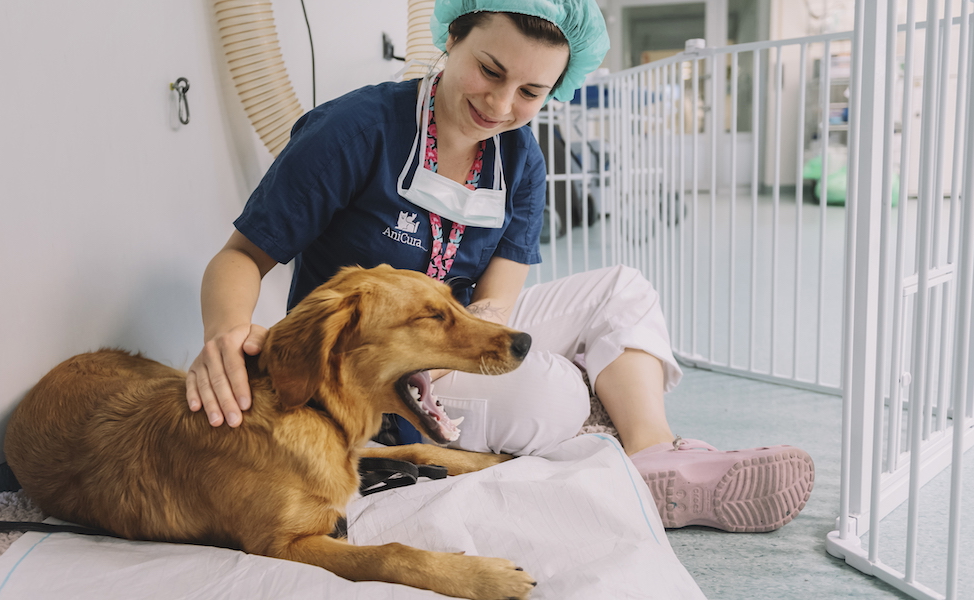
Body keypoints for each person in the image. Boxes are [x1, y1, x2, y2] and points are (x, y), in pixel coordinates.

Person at [186, 0, 814, 532]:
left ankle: (651, 454)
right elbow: (241, 256)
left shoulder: (521, 162)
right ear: (451, 38)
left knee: (624, 289)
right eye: (490, 70)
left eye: (531, 92)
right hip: (372, 370)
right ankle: (595, 404)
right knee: (551, 396)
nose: (501, 103)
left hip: (452, 334)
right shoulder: (353, 132)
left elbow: (495, 306)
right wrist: (225, 335)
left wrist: (468, 348)